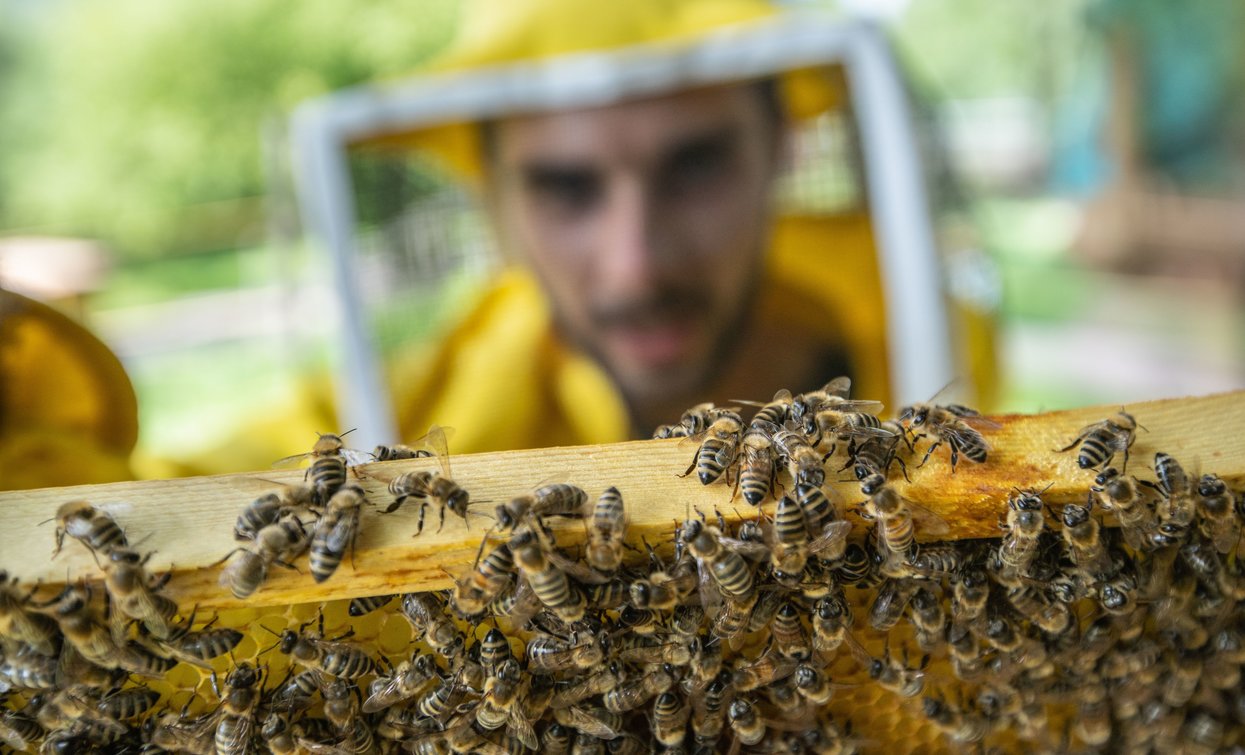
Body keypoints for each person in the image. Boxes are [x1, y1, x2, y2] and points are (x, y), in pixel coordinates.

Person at [195, 0, 995, 471]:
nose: (634, 265)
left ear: (782, 149)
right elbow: (153, 490)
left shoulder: (919, 341)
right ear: (493, 202)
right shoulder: (396, 417)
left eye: (694, 166)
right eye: (566, 187)